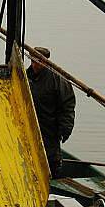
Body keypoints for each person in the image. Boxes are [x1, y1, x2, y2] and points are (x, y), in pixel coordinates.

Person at [26, 47, 76, 178]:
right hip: (29, 127)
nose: (35, 65)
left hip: (50, 128)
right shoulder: (26, 76)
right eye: (33, 61)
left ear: (46, 61)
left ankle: (51, 179)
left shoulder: (58, 79)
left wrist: (65, 129)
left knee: (50, 160)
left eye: (38, 62)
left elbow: (68, 105)